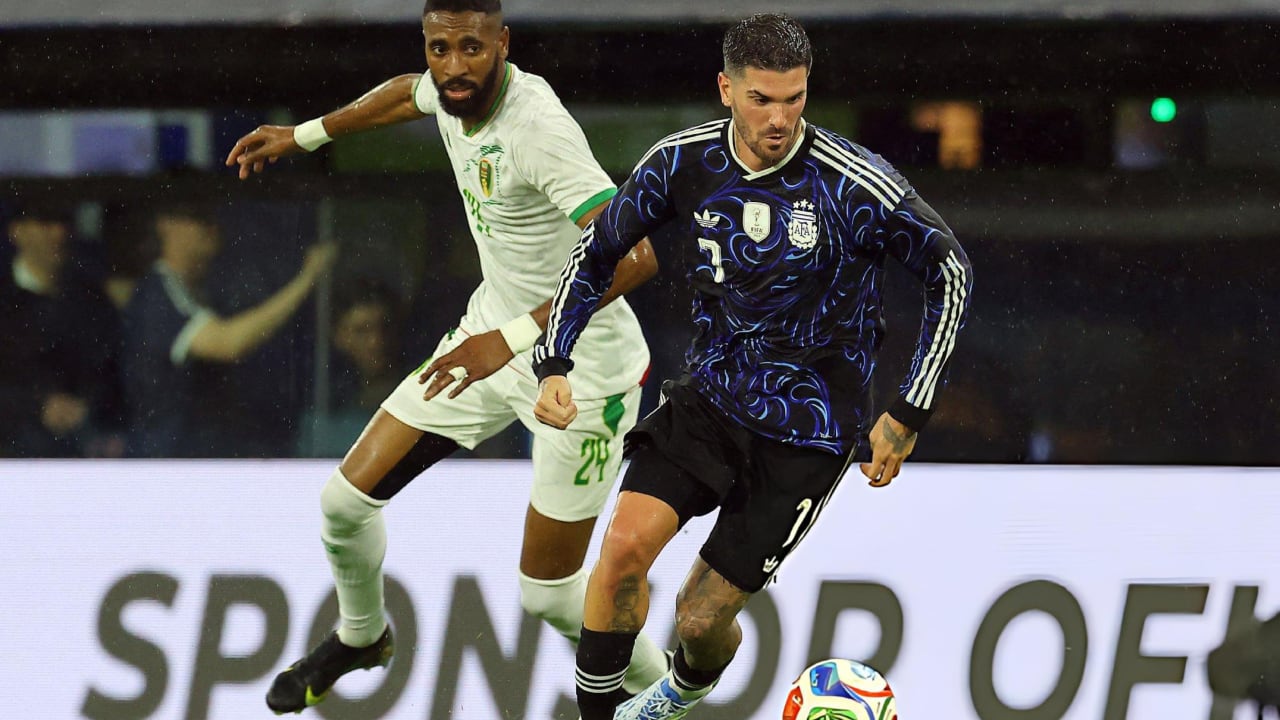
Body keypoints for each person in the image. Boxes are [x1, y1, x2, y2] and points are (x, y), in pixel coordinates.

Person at [224, 0, 669, 713]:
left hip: (586, 373)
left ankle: (679, 698)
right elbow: (408, 93)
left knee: (550, 596)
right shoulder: (447, 87)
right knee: (343, 505)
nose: (453, 68)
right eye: (439, 48)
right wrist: (304, 135)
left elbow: (637, 255)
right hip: (488, 338)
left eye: (470, 48)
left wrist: (515, 339)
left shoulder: (536, 128)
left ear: (503, 44)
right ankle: (363, 636)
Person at [532, 13, 974, 720]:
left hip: (810, 432)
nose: (780, 118)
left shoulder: (852, 182)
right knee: (619, 555)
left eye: (794, 99)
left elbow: (950, 269)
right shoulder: (683, 163)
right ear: (726, 90)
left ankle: (681, 691)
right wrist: (554, 358)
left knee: (700, 621)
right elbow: (598, 251)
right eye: (763, 99)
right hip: (708, 401)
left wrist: (909, 408)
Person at [121, 204, 337, 457]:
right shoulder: (158, 294)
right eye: (197, 217)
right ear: (166, 223)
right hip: (166, 465)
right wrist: (308, 277)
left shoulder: (200, 291)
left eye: (211, 218)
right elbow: (228, 344)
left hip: (204, 458)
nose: (210, 229)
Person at [0, 203, 124, 458]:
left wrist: (87, 407)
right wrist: (36, 407)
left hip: (87, 452)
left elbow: (114, 371)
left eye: (63, 223)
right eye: (45, 224)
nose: (57, 234)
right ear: (17, 231)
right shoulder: (4, 300)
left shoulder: (92, 301)